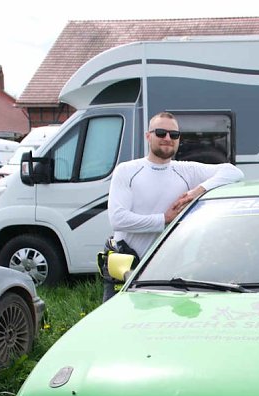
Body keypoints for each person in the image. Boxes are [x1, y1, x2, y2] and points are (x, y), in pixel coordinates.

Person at [102, 111, 244, 301]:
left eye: (174, 135)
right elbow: (118, 219)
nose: (167, 138)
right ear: (148, 136)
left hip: (168, 273)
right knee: (116, 327)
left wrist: (198, 191)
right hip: (127, 270)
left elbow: (233, 172)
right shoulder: (127, 170)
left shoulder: (186, 170)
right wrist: (164, 220)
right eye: (160, 133)